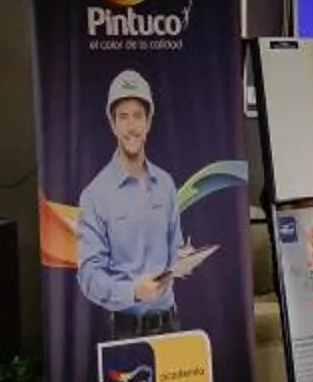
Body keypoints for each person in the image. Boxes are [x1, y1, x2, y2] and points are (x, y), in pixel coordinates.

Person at [75, 69, 212, 333]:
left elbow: (174, 251)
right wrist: (133, 291)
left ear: (149, 122)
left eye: (138, 116)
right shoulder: (94, 195)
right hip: (126, 330)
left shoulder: (166, 184)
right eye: (123, 117)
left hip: (170, 323)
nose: (131, 126)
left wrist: (184, 259)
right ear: (112, 124)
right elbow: (89, 276)